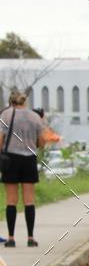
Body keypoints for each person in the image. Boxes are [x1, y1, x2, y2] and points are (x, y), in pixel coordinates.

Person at [0, 90, 45, 248]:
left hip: (11, 159)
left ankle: (11, 238)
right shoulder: (35, 117)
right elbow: (42, 141)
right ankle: (30, 238)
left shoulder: (6, 115)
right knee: (29, 200)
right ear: (24, 101)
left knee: (11, 200)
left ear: (11, 101)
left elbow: (0, 139)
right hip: (29, 159)